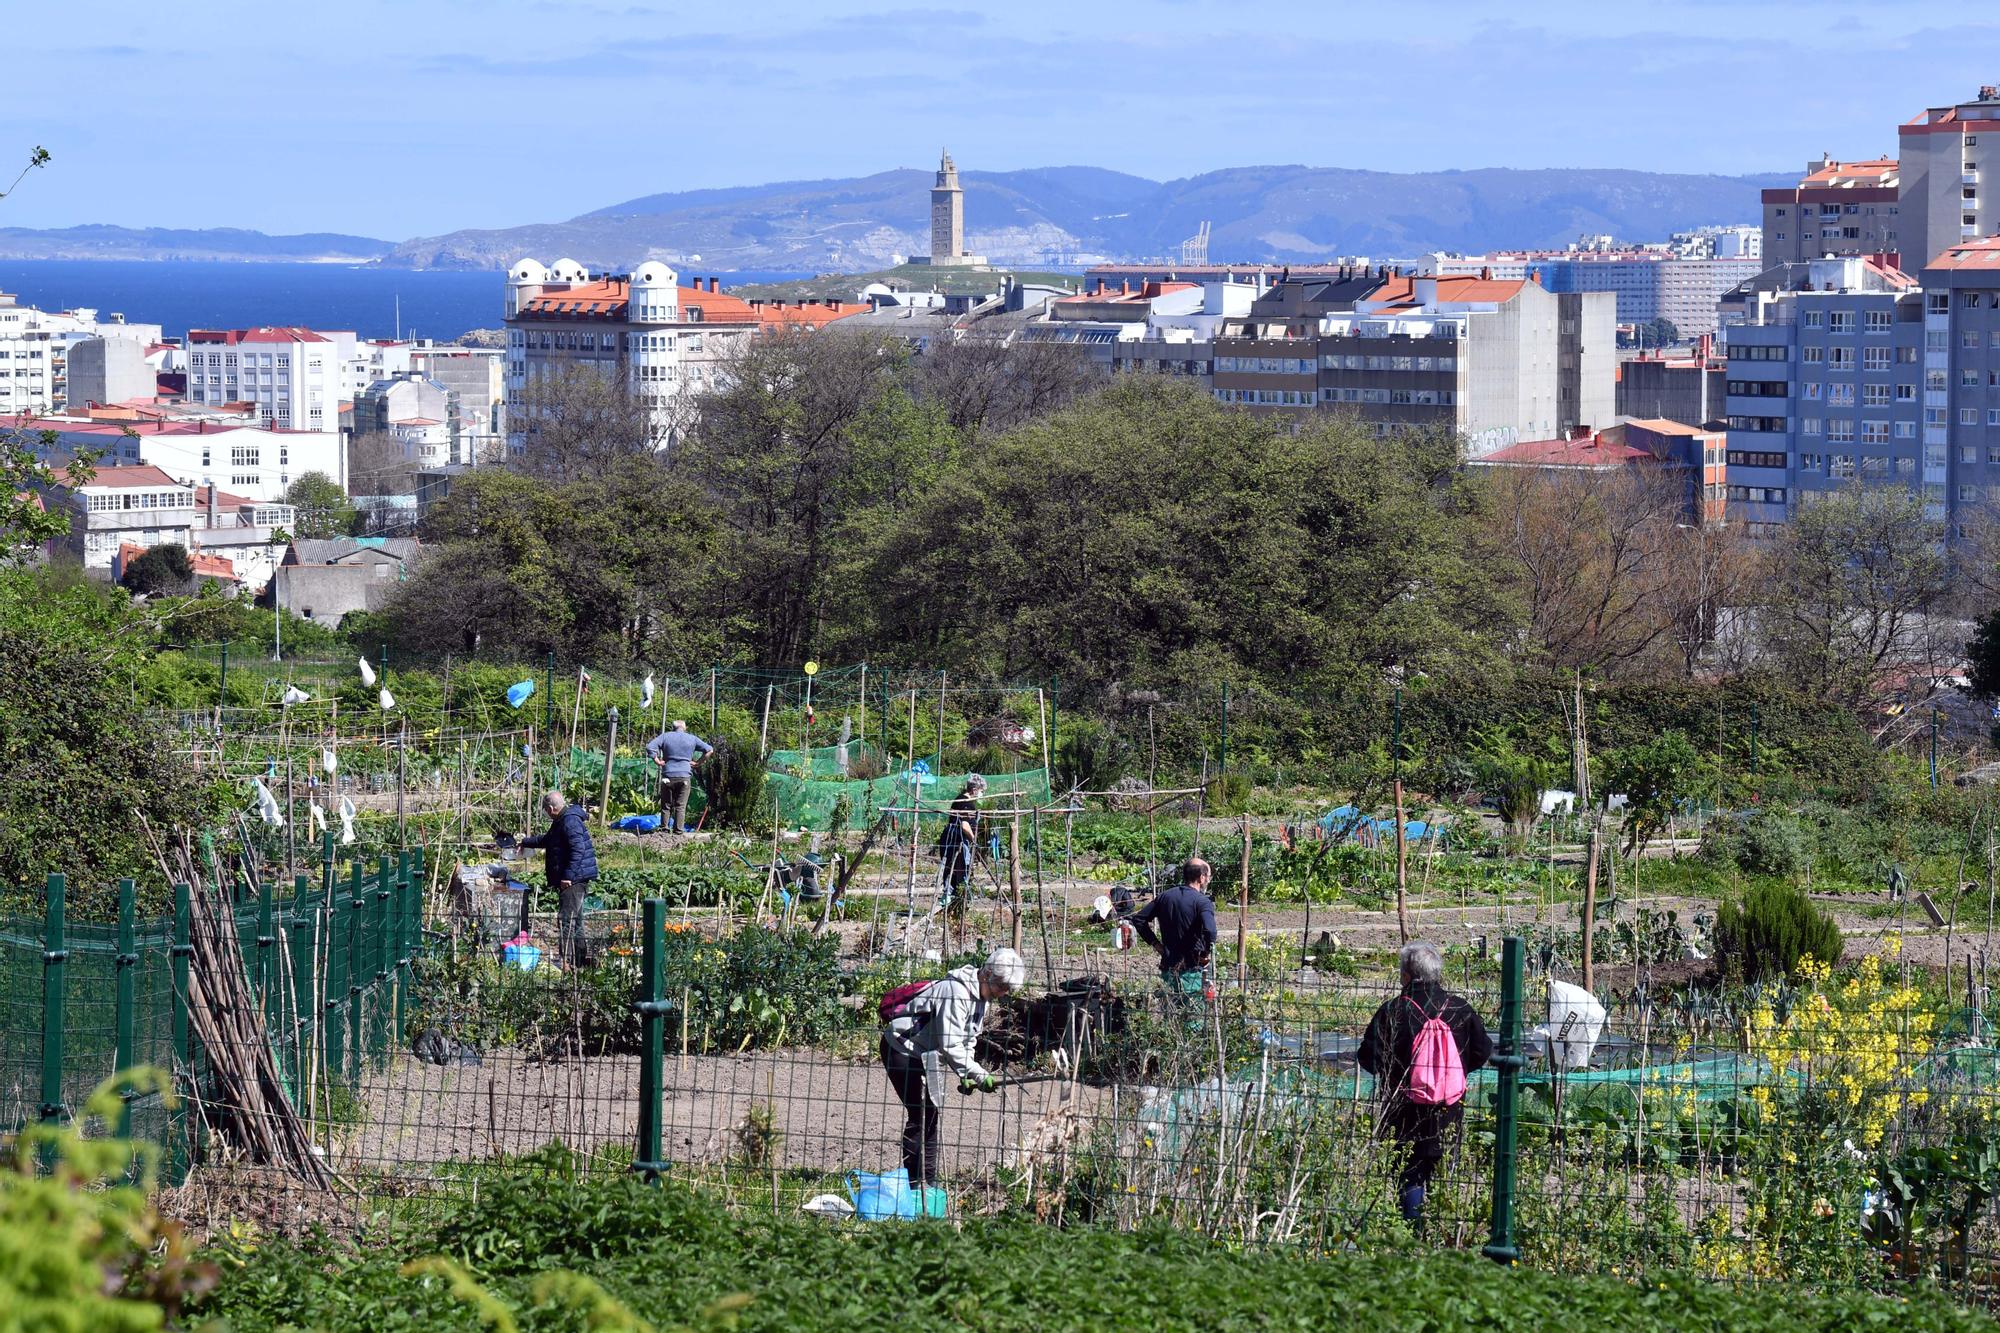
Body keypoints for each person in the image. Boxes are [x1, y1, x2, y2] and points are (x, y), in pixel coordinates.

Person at [1358, 941, 1493, 1233]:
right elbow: (1483, 1051)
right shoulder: (1460, 1009)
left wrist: (1397, 1076)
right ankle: (1442, 1233)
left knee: (1409, 1172)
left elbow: (1368, 1058)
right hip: (1449, 1108)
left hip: (1403, 1107)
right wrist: (1451, 1076)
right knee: (1443, 1172)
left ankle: (1411, 1235)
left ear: (1406, 975)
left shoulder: (1393, 1010)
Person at [880, 947, 1025, 1190]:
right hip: (902, 1047)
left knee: (929, 1115)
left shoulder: (981, 998)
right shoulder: (955, 992)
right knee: (922, 1114)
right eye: (1002, 986)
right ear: (987, 973)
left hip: (924, 1053)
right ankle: (915, 1183)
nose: (1004, 993)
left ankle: (927, 1181)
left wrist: (966, 1074)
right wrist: (979, 1074)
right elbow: (950, 1044)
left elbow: (968, 1039)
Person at [519, 791, 599, 967]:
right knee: (575, 921)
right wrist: (525, 842)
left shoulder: (569, 821)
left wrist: (568, 876)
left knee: (566, 920)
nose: (546, 813)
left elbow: (578, 849)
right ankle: (579, 960)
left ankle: (566, 962)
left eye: (545, 810)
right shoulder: (562, 820)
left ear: (550, 808)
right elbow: (548, 840)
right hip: (575, 877)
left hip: (574, 879)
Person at [1131, 858, 1218, 1004]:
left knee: (1170, 1009)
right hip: (1191, 968)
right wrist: (1205, 953)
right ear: (1201, 877)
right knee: (1192, 1010)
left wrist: (1156, 944)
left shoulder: (1165, 896)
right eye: (1208, 876)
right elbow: (1210, 931)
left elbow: (1139, 919)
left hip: (1168, 965)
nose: (1208, 880)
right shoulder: (1202, 902)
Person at [644, 720, 713, 834]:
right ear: (684, 728)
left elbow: (650, 747)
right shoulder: (692, 738)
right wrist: (698, 763)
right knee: (680, 806)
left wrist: (657, 761)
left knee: (666, 805)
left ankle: (664, 829)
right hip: (684, 776)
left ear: (673, 728)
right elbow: (710, 750)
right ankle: (678, 831)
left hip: (668, 775)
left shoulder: (665, 736)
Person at [935, 774, 985, 912]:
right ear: (974, 790)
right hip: (957, 839)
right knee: (961, 868)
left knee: (951, 868)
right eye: (982, 791)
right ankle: (957, 899)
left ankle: (953, 898)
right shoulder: (966, 803)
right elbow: (964, 825)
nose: (982, 794)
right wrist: (973, 839)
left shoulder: (960, 799)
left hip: (951, 837)